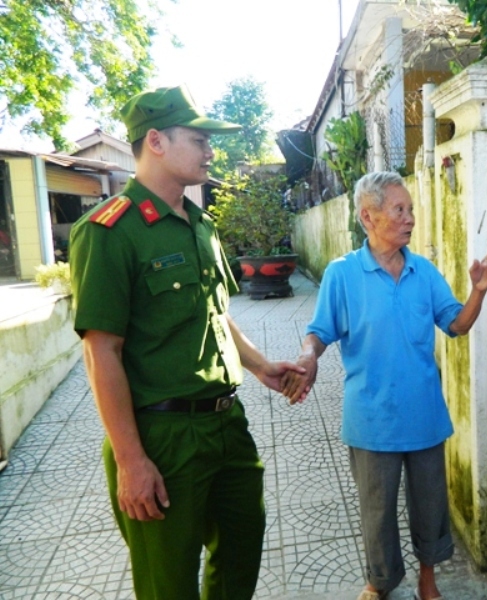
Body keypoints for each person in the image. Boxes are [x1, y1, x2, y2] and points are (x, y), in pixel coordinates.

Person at [69, 84, 306, 600]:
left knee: (241, 553)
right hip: (162, 436)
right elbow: (100, 350)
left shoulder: (200, 225)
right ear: (155, 140)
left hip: (226, 424)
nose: (210, 151)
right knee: (169, 582)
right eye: (199, 140)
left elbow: (215, 314)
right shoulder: (110, 231)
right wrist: (132, 461)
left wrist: (262, 366)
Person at [281, 171, 487, 600]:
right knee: (377, 510)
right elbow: (320, 331)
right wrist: (308, 355)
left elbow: (456, 324)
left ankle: (428, 580)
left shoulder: (424, 271)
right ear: (368, 216)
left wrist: (478, 291)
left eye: (411, 209)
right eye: (400, 210)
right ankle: (380, 581)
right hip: (370, 416)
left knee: (430, 506)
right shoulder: (342, 274)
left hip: (423, 413)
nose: (410, 219)